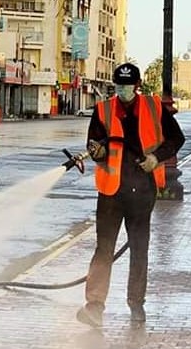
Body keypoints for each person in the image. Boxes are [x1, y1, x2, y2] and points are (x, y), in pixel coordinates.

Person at [77, 63, 185, 328]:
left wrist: (155, 158)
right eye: (118, 85)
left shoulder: (153, 107)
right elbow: (94, 145)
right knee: (104, 250)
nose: (122, 90)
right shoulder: (103, 110)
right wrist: (97, 150)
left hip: (142, 190)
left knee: (139, 250)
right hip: (111, 192)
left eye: (127, 85)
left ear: (137, 86)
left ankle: (136, 304)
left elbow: (176, 138)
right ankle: (94, 306)